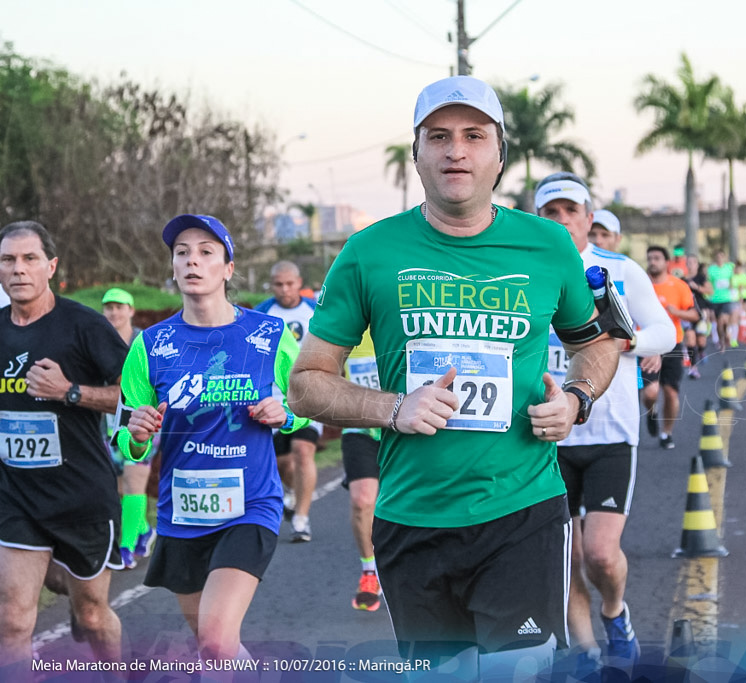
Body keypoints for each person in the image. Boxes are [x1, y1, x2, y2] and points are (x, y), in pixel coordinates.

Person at [288, 75, 620, 678]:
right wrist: (393, 408)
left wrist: (576, 397)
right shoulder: (368, 252)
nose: (456, 150)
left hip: (522, 508)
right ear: (416, 154)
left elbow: (593, 345)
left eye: (474, 135)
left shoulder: (548, 246)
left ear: (499, 153)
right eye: (438, 136)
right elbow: (306, 382)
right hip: (413, 517)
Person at [116, 214, 309, 666]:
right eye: (181, 252)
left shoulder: (270, 334)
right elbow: (127, 439)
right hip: (182, 512)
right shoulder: (150, 345)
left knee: (218, 640)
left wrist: (287, 414)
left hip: (250, 505)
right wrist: (138, 435)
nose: (192, 261)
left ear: (227, 268)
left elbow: (308, 405)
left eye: (206, 252)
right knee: (213, 649)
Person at [536, 173, 674, 675]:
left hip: (610, 433)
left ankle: (615, 612)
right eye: (550, 213)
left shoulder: (618, 270)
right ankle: (588, 653)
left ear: (589, 219)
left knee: (598, 553)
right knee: (565, 560)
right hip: (547, 436)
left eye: (570, 211)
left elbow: (665, 330)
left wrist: (623, 343)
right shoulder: (526, 275)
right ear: (538, 220)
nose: (561, 220)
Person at [0, 221, 127, 675]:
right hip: (17, 495)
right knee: (12, 620)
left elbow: (135, 396)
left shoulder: (84, 326)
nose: (18, 270)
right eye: (8, 260)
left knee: (92, 616)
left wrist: (71, 392)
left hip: (81, 496)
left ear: (50, 266)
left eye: (29, 259)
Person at [255, 261, 321, 542]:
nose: (284, 290)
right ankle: (292, 496)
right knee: (282, 464)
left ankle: (302, 520)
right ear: (272, 285)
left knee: (303, 451)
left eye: (289, 284)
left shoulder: (316, 312)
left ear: (299, 282)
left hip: (308, 395)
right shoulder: (261, 313)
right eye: (278, 284)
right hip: (272, 399)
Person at [101, 287, 155, 569]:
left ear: (131, 311)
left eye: (120, 307)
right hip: (108, 424)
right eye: (109, 307)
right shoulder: (97, 342)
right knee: (120, 487)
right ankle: (144, 529)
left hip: (143, 423)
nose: (114, 312)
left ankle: (127, 548)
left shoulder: (144, 342)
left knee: (134, 483)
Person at [641, 246, 700, 449]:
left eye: (657, 258)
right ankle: (651, 411)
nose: (652, 262)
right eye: (650, 258)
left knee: (671, 393)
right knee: (650, 393)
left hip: (673, 344)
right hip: (647, 344)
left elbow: (695, 315)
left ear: (667, 263)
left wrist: (677, 312)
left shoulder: (679, 286)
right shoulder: (642, 284)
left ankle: (666, 433)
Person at [340, 331, 383, 612]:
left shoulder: (403, 318)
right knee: (362, 500)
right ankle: (370, 572)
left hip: (406, 430)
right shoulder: (346, 330)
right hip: (360, 427)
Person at [683, 255, 712, 374]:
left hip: (700, 311)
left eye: (693, 262)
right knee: (690, 339)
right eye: (688, 262)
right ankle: (693, 367)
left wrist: (697, 287)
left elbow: (710, 291)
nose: (690, 264)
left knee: (701, 340)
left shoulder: (701, 277)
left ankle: (701, 351)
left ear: (697, 264)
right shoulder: (682, 279)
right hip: (687, 313)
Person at [707, 249, 738, 350]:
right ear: (716, 258)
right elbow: (709, 283)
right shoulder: (711, 269)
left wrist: (732, 287)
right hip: (715, 299)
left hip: (726, 298)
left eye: (721, 256)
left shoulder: (729, 268)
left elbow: (732, 279)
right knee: (719, 323)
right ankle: (722, 339)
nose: (720, 259)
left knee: (723, 319)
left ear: (724, 258)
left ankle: (725, 335)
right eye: (718, 257)